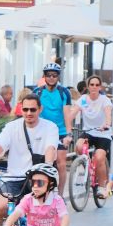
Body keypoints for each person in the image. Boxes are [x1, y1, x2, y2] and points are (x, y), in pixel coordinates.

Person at [0, 93, 59, 226]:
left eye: (33, 109)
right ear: (21, 109)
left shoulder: (50, 127)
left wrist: (47, 168)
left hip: (37, 177)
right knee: (1, 207)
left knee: (39, 213)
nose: (29, 113)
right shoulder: (12, 127)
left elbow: (50, 148)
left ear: (40, 109)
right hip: (13, 177)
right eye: (25, 109)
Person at [69, 75, 113, 198]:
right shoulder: (83, 99)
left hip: (103, 133)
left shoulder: (104, 100)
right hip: (88, 131)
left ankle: (102, 186)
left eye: (96, 85)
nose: (94, 87)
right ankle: (87, 167)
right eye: (91, 84)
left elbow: (108, 113)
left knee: (99, 157)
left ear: (100, 87)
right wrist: (65, 124)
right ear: (88, 86)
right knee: (78, 146)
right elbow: (72, 113)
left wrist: (107, 124)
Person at [36, 62, 74, 193]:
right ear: (44, 76)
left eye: (54, 75)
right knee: (40, 162)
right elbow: (35, 112)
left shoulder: (64, 92)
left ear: (58, 77)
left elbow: (67, 114)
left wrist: (69, 134)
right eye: (48, 75)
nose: (51, 78)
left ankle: (60, 194)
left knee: (61, 163)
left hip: (60, 131)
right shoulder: (38, 92)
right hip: (43, 131)